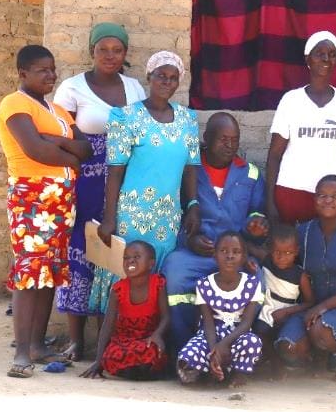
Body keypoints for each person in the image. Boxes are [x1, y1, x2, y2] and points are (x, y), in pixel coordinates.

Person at [0, 45, 93, 378]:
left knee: (49, 271)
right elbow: (34, 150)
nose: (50, 75)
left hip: (61, 200)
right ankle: (21, 353)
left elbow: (87, 148)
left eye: (52, 69)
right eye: (42, 70)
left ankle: (37, 346)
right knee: (28, 272)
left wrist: (57, 141)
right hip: (31, 198)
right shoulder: (14, 103)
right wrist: (69, 156)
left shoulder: (58, 111)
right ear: (23, 73)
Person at [54, 22, 146, 362]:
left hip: (125, 183)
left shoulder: (134, 88)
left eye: (117, 50)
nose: (110, 56)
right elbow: (61, 135)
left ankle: (106, 340)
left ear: (125, 55)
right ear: (92, 51)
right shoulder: (72, 87)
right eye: (103, 49)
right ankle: (77, 341)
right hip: (85, 185)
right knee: (80, 253)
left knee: (112, 256)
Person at [88, 51, 201, 314]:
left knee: (156, 275)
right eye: (161, 75)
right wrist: (109, 217)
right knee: (124, 272)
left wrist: (193, 204)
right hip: (132, 213)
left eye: (173, 78)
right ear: (149, 76)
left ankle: (147, 340)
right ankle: (114, 342)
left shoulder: (187, 120)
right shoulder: (126, 117)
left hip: (168, 215)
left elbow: (190, 168)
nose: (167, 82)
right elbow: (115, 171)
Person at [162, 112, 267, 359]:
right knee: (175, 276)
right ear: (207, 138)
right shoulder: (188, 170)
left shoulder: (250, 173)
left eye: (235, 139)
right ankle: (185, 351)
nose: (230, 146)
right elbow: (173, 214)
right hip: (197, 253)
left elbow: (257, 215)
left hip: (235, 255)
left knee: (258, 280)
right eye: (223, 139)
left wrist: (256, 228)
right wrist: (190, 240)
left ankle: (239, 355)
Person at [275, 175, 336, 382]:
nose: (328, 200)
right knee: (288, 347)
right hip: (310, 309)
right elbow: (283, 261)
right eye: (322, 195)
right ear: (314, 199)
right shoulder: (302, 231)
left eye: (335, 196)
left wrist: (323, 308)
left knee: (322, 331)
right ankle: (318, 358)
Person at [265, 31, 336, 225]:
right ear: (308, 59)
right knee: (293, 252)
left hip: (335, 196)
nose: (326, 58)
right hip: (293, 191)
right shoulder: (291, 100)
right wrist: (270, 201)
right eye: (320, 53)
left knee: (331, 251)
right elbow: (274, 154)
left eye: (332, 54)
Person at [177, 232, 263, 388]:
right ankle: (211, 370)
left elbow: (246, 323)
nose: (229, 256)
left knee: (252, 342)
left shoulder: (252, 284)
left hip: (237, 335)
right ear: (215, 255)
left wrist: (224, 344)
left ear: (244, 257)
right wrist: (214, 352)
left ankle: (237, 374)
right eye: (223, 251)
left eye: (236, 252)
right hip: (210, 336)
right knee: (188, 356)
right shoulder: (204, 285)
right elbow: (208, 324)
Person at [79, 241, 169, 380]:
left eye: (137, 256)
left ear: (151, 263)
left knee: (152, 351)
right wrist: (98, 360)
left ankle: (139, 370)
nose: (130, 260)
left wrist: (157, 335)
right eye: (126, 258)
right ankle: (134, 371)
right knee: (111, 355)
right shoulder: (118, 289)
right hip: (124, 341)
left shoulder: (158, 284)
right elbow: (108, 325)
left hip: (148, 340)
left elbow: (166, 317)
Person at [252, 223, 314, 379]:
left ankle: (302, 361)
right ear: (270, 249)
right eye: (277, 252)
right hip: (267, 309)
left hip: (289, 312)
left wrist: (287, 311)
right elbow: (246, 246)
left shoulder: (300, 275)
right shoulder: (266, 261)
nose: (282, 257)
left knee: (286, 340)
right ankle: (274, 361)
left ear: (296, 252)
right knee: (259, 331)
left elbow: (310, 303)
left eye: (288, 252)